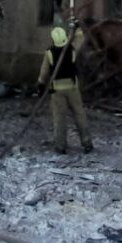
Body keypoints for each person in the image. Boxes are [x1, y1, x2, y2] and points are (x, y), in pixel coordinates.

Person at [36, 21, 93, 155]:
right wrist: (77, 28)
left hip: (57, 91)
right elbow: (80, 39)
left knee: (59, 118)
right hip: (72, 88)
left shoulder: (49, 53)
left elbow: (44, 72)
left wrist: (40, 84)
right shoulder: (71, 49)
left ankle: (60, 146)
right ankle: (87, 143)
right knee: (80, 115)